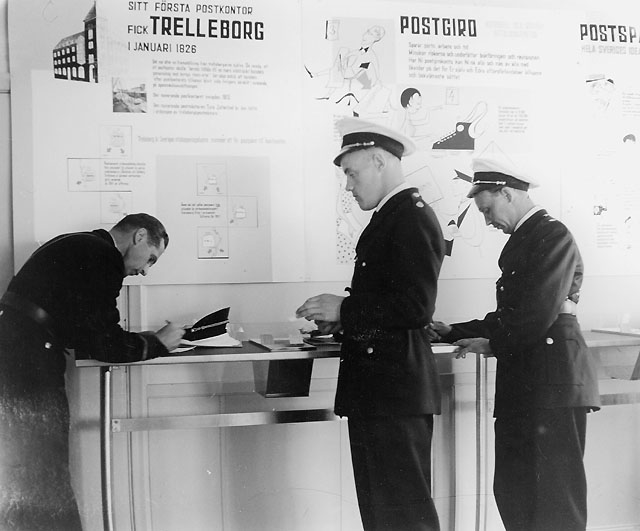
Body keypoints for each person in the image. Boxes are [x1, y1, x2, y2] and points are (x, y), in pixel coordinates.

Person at [429, 155, 601, 531]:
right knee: (514, 493)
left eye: (487, 210)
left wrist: (490, 344)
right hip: (529, 384)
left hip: (552, 385)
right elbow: (512, 315)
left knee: (555, 501)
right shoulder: (528, 238)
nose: (488, 221)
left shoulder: (551, 235)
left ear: (506, 193)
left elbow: (536, 313)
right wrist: (451, 331)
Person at [296, 117, 445, 531]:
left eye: (351, 173)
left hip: (394, 395)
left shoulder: (411, 216)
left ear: (379, 161)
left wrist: (345, 309)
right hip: (382, 394)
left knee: (404, 517)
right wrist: (343, 322)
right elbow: (390, 304)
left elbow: (416, 307)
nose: (348, 186)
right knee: (383, 517)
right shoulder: (392, 216)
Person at [0, 213, 184, 531]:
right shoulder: (103, 256)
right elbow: (105, 344)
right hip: (29, 364)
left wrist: (135, 340)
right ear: (140, 236)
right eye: (151, 258)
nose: (144, 270)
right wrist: (158, 343)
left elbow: (86, 326)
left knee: (30, 474)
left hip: (17, 356)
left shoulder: (81, 243)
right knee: (46, 474)